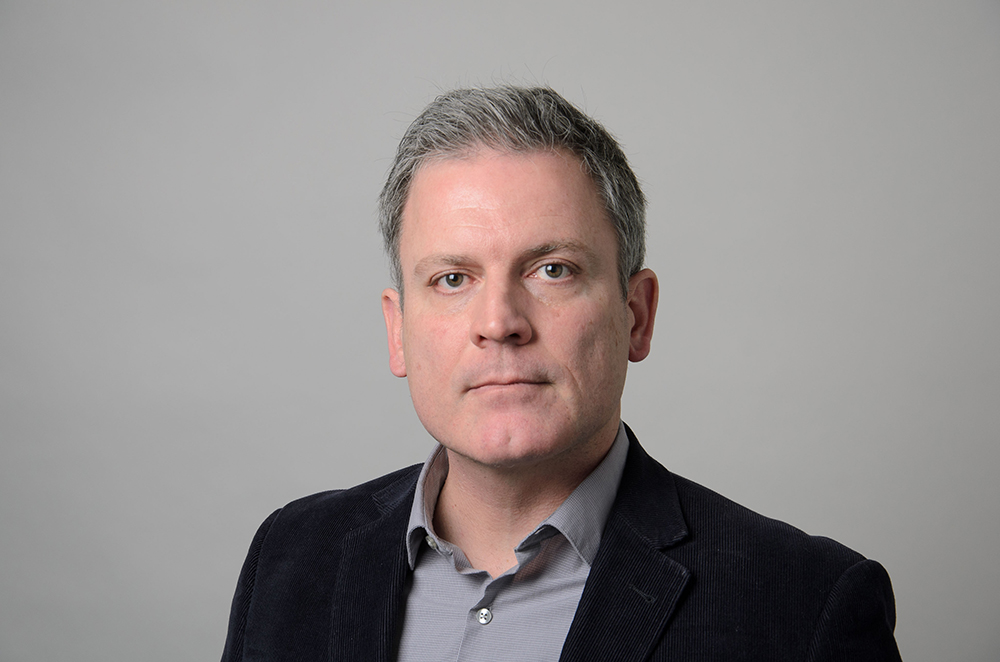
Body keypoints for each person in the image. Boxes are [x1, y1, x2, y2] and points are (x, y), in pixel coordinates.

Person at [221, 86, 902, 661]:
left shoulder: (804, 607)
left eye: (554, 270)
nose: (500, 321)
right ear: (397, 330)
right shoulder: (291, 559)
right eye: (452, 278)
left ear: (636, 315)